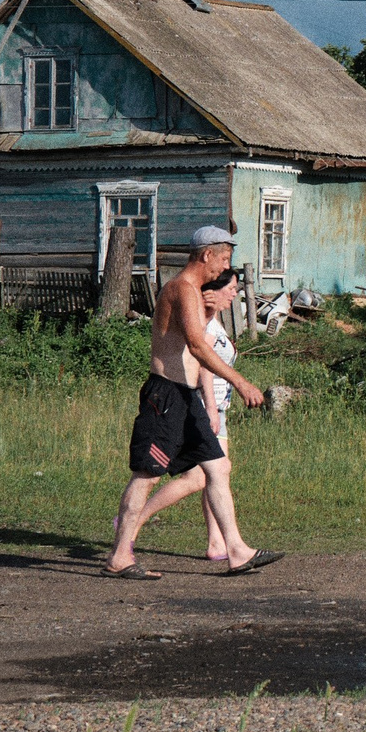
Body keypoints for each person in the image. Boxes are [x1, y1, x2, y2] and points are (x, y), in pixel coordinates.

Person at [104, 226, 282, 579]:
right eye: (224, 259)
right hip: (165, 396)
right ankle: (120, 556)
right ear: (206, 256)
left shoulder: (194, 293)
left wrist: (211, 311)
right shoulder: (180, 289)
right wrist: (240, 381)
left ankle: (236, 550)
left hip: (187, 398)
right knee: (147, 475)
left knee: (217, 468)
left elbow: (196, 347)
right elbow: (199, 347)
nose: (224, 268)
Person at [125, 269, 247, 561]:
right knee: (192, 477)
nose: (234, 293)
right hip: (201, 406)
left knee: (217, 472)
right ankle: (134, 522)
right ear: (213, 290)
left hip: (215, 407)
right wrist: (210, 407)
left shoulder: (214, 321)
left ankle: (220, 543)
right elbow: (200, 362)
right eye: (231, 288)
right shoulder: (203, 322)